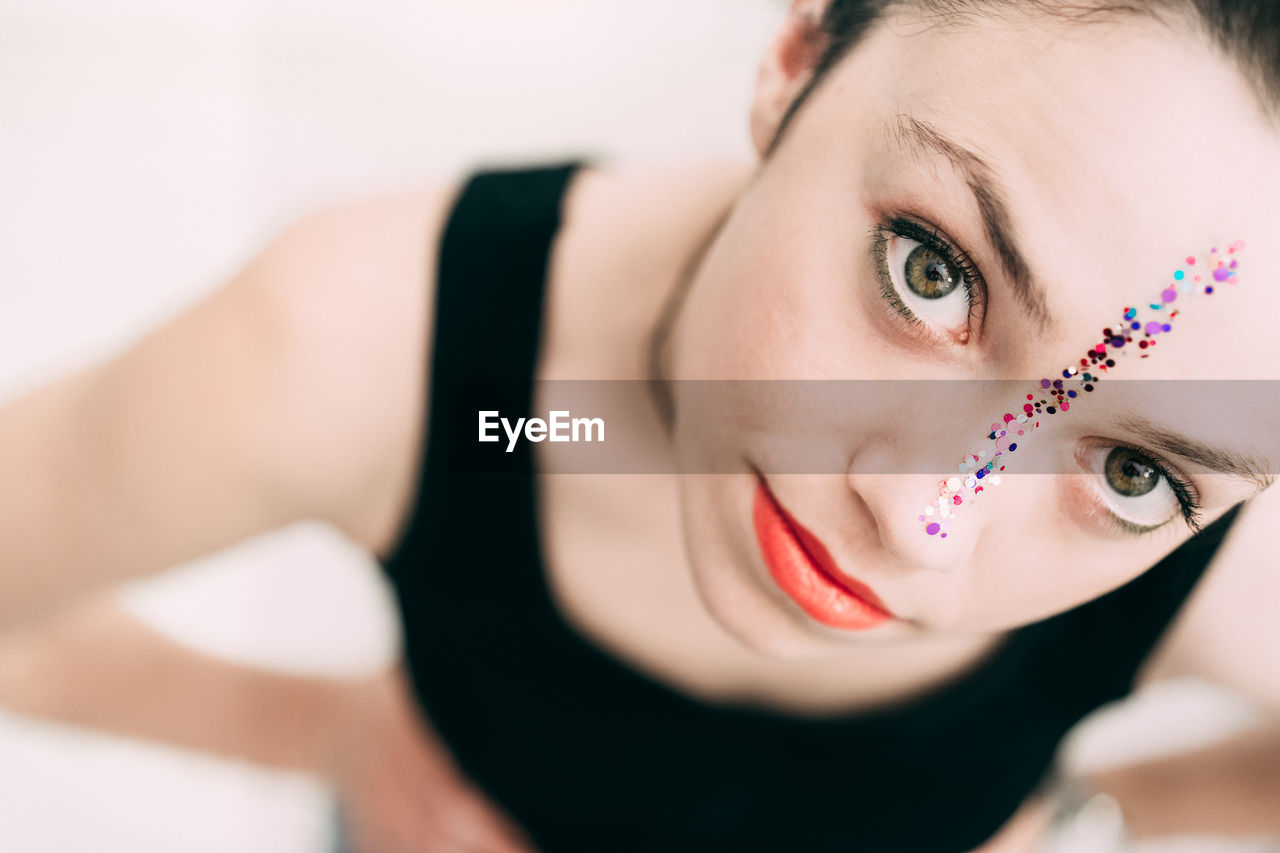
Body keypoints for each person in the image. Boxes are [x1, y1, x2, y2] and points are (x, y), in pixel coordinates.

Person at [1, 0, 1280, 850]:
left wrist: (1090, 817)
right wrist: (316, 729)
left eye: (1129, 467)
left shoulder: (1223, 582)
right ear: (801, 52)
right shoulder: (385, 357)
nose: (921, 519)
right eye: (930, 272)